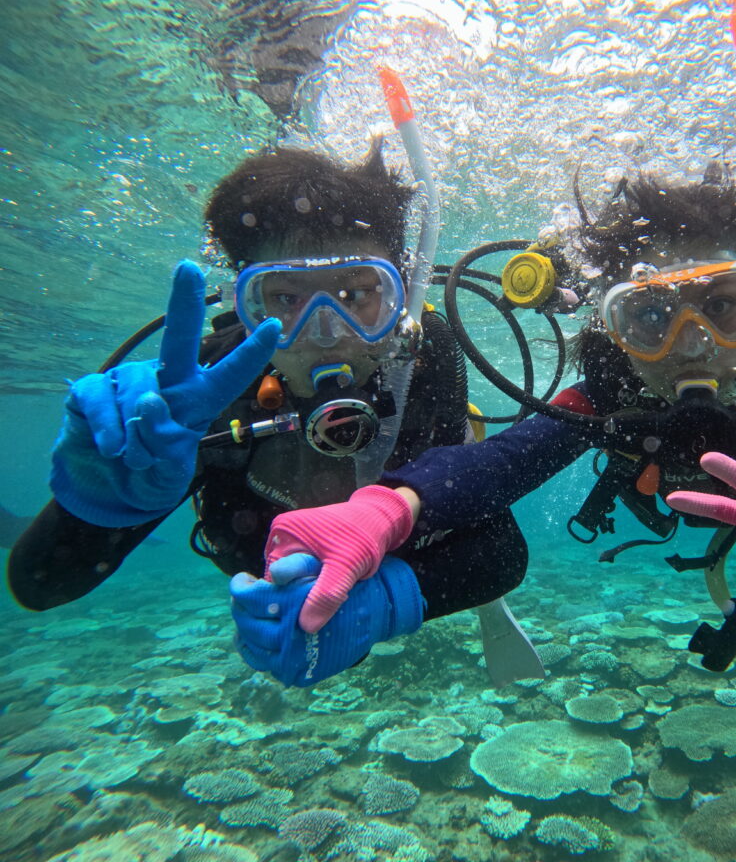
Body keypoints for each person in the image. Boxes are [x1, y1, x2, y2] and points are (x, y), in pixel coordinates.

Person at [231, 166, 736, 685]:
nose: (692, 343)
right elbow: (500, 463)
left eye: (724, 305)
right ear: (616, 326)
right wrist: (385, 507)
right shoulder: (613, 389)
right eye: (650, 316)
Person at [7, 144, 541, 687]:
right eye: (285, 299)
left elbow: (499, 551)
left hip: (394, 544)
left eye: (357, 294)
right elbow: (38, 585)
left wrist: (387, 600)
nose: (326, 334)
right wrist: (102, 502)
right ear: (246, 305)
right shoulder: (202, 391)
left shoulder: (421, 361)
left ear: (401, 296)